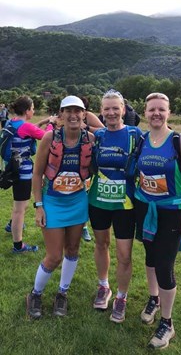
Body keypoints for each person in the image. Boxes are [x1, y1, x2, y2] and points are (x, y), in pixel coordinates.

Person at [134, 92, 181, 350]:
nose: (156, 113)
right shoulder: (141, 140)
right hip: (144, 207)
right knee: (150, 257)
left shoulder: (178, 140)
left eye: (161, 109)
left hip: (172, 211)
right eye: (151, 110)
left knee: (164, 265)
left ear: (168, 112)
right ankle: (153, 298)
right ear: (145, 113)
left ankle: (167, 323)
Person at [26, 95, 94, 319]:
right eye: (68, 110)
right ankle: (35, 294)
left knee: (73, 250)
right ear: (61, 114)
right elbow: (37, 174)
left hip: (77, 202)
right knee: (54, 256)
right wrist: (38, 206)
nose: (73, 115)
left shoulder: (91, 139)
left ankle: (62, 294)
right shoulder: (50, 137)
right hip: (53, 202)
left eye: (78, 111)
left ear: (84, 114)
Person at [88, 89, 142, 323]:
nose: (111, 112)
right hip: (98, 200)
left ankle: (121, 297)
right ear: (102, 111)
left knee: (124, 255)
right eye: (107, 108)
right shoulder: (98, 136)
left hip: (125, 204)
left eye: (115, 108)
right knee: (101, 244)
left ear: (123, 109)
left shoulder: (134, 134)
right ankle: (104, 286)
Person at [3, 95, 55, 253]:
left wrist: (44, 121)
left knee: (21, 204)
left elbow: (28, 129)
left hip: (12, 169)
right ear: (27, 111)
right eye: (33, 109)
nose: (34, 111)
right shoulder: (26, 127)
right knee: (20, 208)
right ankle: (18, 246)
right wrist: (51, 124)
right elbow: (46, 137)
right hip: (23, 173)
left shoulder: (10, 122)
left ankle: (12, 225)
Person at [79, 96, 104, 241]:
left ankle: (83, 227)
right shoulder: (64, 115)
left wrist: (87, 127)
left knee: (84, 195)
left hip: (85, 162)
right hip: (64, 162)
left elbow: (103, 131)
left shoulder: (88, 116)